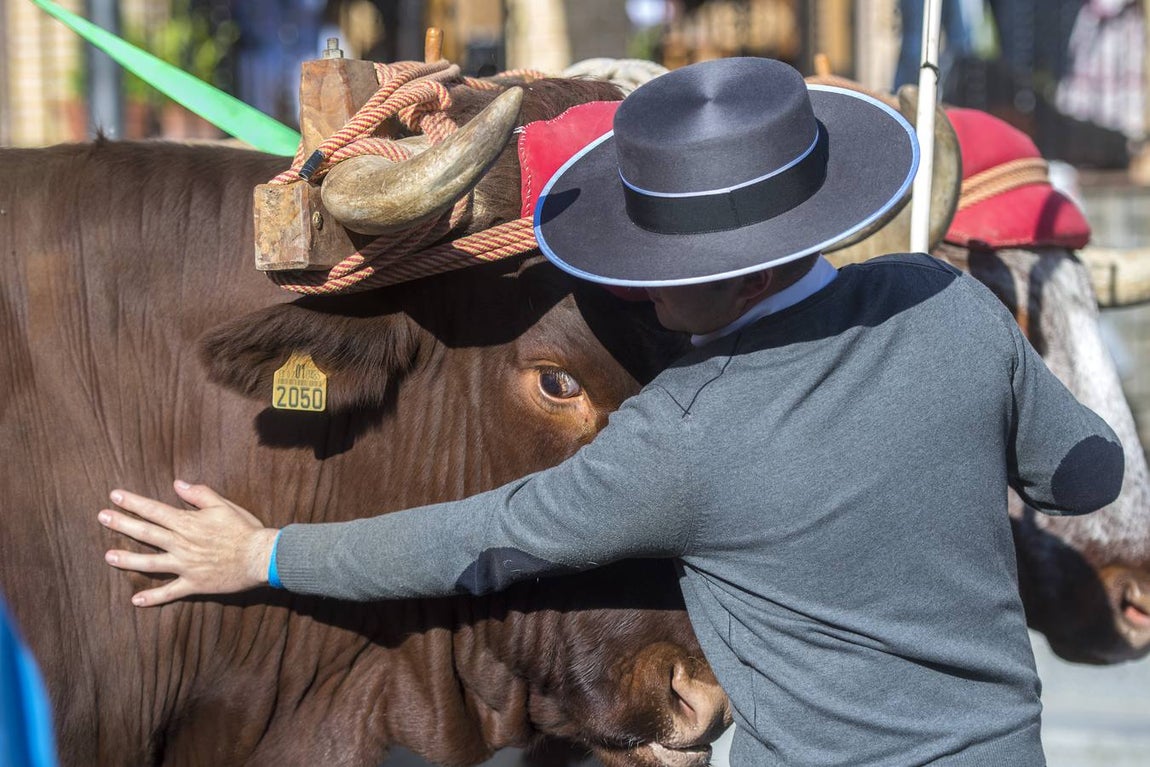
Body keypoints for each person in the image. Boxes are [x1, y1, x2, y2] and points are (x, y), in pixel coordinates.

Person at [97, 57, 1124, 766]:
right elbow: (1086, 474)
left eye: (653, 269)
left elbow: (472, 538)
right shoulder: (944, 303)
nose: (641, 289)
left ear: (727, 277)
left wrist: (263, 553)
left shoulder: (685, 434)